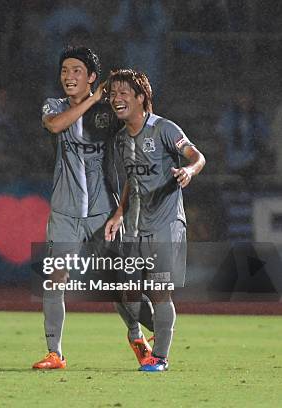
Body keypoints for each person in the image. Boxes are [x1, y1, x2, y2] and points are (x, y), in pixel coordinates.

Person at [33, 46, 153, 370]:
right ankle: (55, 352)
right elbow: (56, 126)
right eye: (64, 71)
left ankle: (136, 335)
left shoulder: (108, 112)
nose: (68, 77)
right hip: (64, 211)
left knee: (116, 284)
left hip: (103, 212)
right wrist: (91, 99)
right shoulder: (53, 106)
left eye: (76, 71)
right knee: (55, 278)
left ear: (91, 78)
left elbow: (137, 129)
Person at [105, 69, 206, 371]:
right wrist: (119, 212)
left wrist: (189, 171)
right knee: (124, 291)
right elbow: (131, 180)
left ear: (140, 97)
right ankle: (138, 335)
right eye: (113, 93)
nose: (116, 98)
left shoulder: (164, 129)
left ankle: (160, 357)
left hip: (165, 224)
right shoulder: (121, 139)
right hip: (135, 226)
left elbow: (197, 156)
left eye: (123, 93)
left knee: (160, 289)